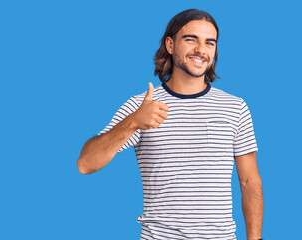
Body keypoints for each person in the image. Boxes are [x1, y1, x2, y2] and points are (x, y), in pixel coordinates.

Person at [77, 8, 263, 240]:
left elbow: (249, 182)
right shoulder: (141, 106)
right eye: (190, 39)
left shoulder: (235, 107)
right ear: (170, 44)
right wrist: (133, 121)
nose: (201, 50)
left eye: (209, 43)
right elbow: (85, 164)